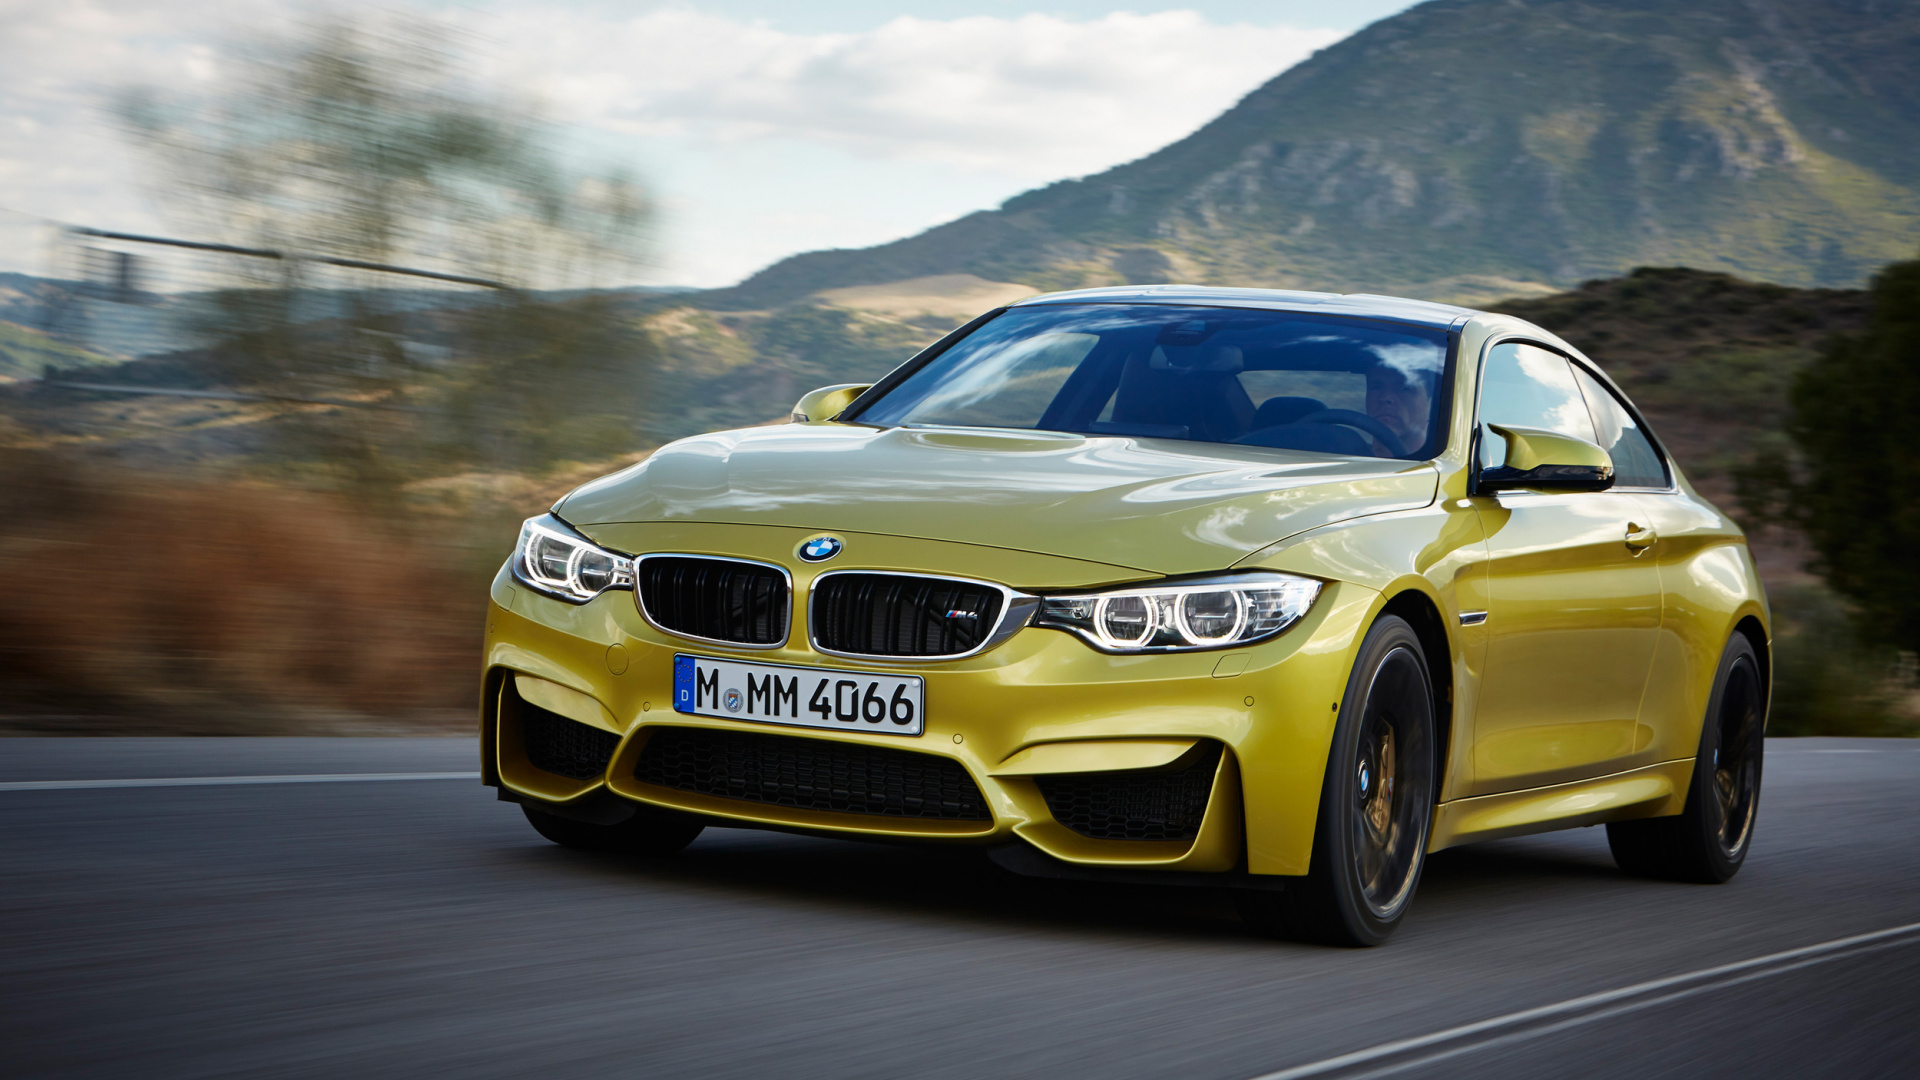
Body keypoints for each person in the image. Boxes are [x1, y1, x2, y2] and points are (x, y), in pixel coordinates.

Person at [1364, 358, 1436, 457]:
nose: (1385, 398)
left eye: (1404, 388)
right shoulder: (1345, 456)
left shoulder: (1443, 465)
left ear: (1430, 403)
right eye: (1376, 387)